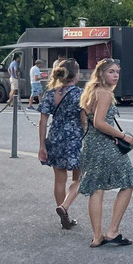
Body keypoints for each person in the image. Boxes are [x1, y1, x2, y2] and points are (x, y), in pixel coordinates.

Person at [78, 58, 133, 248]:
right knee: (129, 182)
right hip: (105, 146)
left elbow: (85, 122)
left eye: (117, 72)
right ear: (101, 73)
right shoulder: (104, 93)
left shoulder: (90, 92)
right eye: (111, 71)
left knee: (96, 189)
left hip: (91, 145)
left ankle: (97, 236)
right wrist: (122, 136)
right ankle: (113, 231)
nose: (116, 75)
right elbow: (99, 123)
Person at [38, 59, 84, 231]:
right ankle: (65, 206)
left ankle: (64, 215)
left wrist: (42, 145)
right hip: (74, 139)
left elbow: (43, 122)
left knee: (59, 179)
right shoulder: (79, 94)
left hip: (55, 137)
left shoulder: (50, 93)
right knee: (79, 178)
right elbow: (84, 120)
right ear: (75, 74)